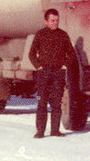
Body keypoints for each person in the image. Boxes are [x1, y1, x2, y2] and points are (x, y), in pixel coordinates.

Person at [28, 8, 78, 138]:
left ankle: (55, 130)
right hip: (43, 73)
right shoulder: (40, 34)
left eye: (57, 20)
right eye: (52, 20)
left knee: (56, 103)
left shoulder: (63, 35)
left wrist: (64, 66)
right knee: (42, 103)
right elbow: (31, 54)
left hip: (58, 73)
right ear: (46, 21)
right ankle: (40, 131)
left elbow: (72, 54)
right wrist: (38, 66)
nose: (55, 23)